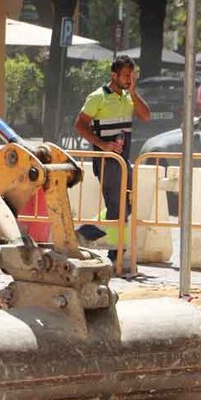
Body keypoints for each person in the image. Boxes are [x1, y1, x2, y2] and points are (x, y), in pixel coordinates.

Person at [74, 55, 150, 265]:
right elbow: (80, 125)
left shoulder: (128, 97)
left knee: (126, 205)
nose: (129, 79)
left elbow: (146, 116)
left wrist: (133, 93)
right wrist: (103, 145)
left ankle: (85, 233)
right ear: (114, 75)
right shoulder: (97, 97)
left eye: (132, 76)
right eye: (126, 76)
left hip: (123, 161)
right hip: (106, 160)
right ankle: (115, 256)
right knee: (117, 205)